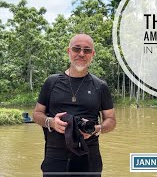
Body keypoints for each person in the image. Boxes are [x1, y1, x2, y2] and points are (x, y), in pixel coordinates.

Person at [33, 34, 116, 177]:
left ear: (93, 54)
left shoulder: (100, 86)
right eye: (76, 49)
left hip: (89, 158)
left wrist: (96, 129)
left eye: (87, 50)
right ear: (69, 51)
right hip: (55, 158)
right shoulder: (51, 82)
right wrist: (51, 122)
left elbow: (111, 120)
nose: (81, 54)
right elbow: (37, 114)